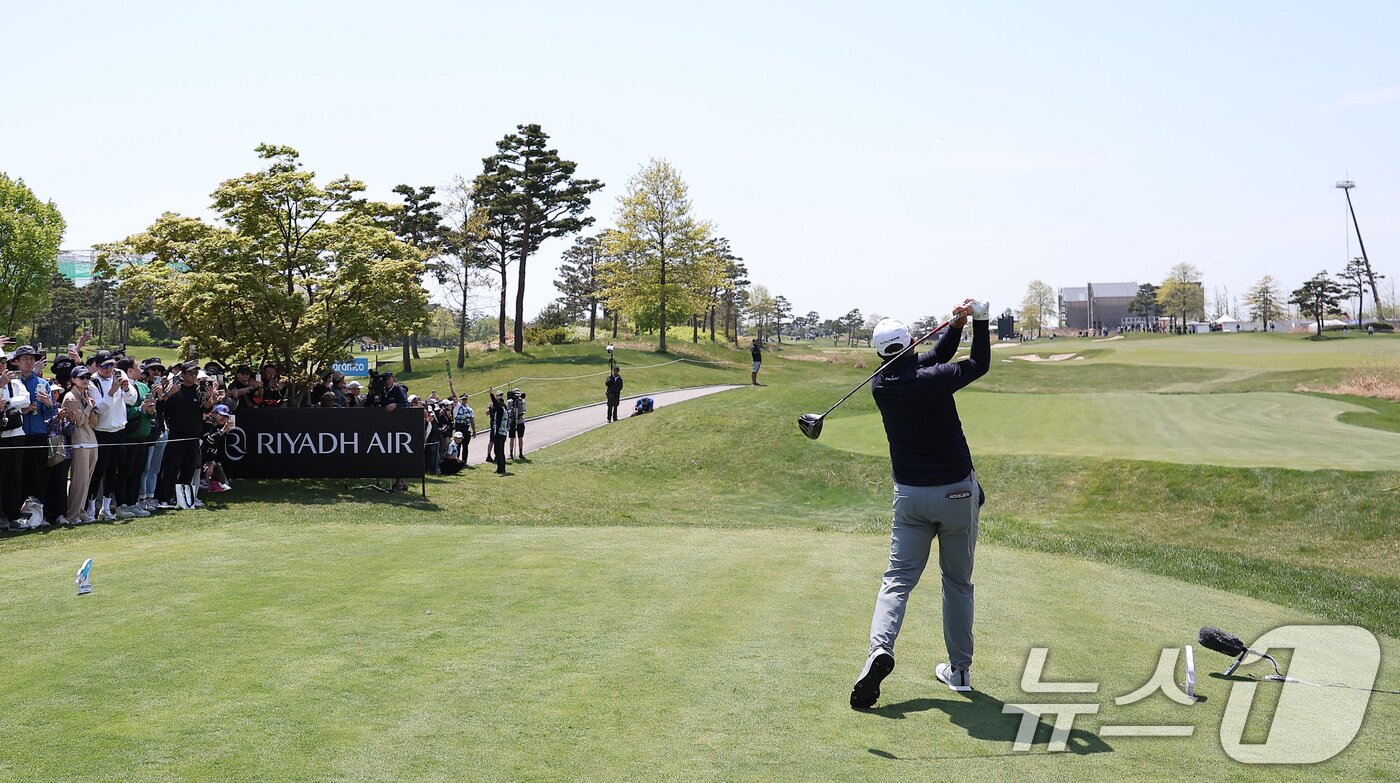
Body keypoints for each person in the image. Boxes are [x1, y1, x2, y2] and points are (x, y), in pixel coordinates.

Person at [850, 299, 991, 710]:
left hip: (910, 499)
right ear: (911, 342)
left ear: (880, 354)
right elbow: (978, 363)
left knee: (897, 579)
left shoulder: (881, 385)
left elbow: (932, 357)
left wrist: (955, 326)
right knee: (957, 583)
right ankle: (960, 671)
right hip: (957, 495)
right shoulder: (934, 379)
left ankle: (879, 649)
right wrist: (979, 319)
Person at [87, 351, 137, 521]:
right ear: (97, 366)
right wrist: (112, 391)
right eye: (105, 366)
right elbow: (98, 409)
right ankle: (91, 508)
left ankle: (106, 508)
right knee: (98, 471)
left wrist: (125, 388)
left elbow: (132, 400)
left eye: (111, 365)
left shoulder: (120, 374)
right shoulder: (93, 382)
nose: (109, 369)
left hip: (119, 430)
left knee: (113, 471)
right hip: (102, 432)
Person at [157, 362, 213, 510]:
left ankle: (184, 500)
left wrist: (209, 398)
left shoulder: (198, 390)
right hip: (177, 435)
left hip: (193, 435)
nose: (194, 376)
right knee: (171, 468)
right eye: (190, 373)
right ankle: (164, 498)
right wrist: (168, 394)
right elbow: (162, 408)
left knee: (188, 469)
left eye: (195, 373)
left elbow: (206, 408)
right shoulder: (176, 389)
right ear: (183, 375)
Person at [13, 346, 55, 528]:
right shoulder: (12, 383)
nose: (28, 362)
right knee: (19, 476)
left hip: (39, 435)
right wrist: (23, 410)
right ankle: (17, 515)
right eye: (24, 359)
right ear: (17, 362)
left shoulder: (42, 383)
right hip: (19, 436)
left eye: (31, 359)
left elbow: (48, 415)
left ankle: (38, 515)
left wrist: (48, 403)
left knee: (38, 476)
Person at [61, 367, 100, 525]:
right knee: (79, 481)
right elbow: (77, 422)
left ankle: (81, 511)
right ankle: (73, 515)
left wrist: (90, 405)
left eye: (88, 376)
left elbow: (94, 422)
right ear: (73, 379)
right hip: (79, 442)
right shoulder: (70, 397)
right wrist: (89, 407)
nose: (85, 379)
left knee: (87, 480)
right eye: (82, 377)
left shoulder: (86, 395)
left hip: (91, 440)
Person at [0, 361, 32, 530]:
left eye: (3, 362)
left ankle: (13, 516)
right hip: (1, 437)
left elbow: (25, 400)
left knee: (14, 478)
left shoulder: (15, 381)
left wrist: (6, 403)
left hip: (16, 435)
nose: (1, 365)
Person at [487, 388, 508, 475]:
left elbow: (495, 403)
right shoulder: (505, 410)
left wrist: (491, 394)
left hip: (499, 433)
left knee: (498, 451)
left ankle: (500, 469)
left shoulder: (500, 409)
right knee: (501, 451)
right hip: (504, 433)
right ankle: (502, 468)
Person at [508, 389, 526, 459]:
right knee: (512, 438)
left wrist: (520, 402)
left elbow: (524, 410)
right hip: (512, 421)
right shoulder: (510, 401)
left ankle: (521, 453)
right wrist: (512, 411)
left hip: (520, 421)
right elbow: (508, 411)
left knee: (520, 437)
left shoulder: (522, 401)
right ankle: (511, 453)